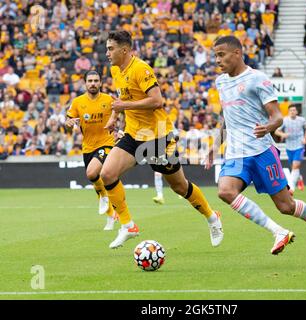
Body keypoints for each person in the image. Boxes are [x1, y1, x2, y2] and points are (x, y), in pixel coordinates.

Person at [206, 36, 306, 259]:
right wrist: (215, 144)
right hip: (236, 153)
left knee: (286, 206)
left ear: (237, 53)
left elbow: (277, 116)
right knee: (225, 191)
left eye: (221, 54)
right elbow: (225, 117)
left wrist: (268, 127)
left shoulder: (258, 79)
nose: (217, 60)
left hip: (262, 151)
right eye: (215, 55)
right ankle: (278, 232)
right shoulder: (221, 82)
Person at [101, 30, 223, 249]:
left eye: (111, 48)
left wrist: (123, 107)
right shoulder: (115, 70)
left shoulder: (141, 69)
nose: (107, 53)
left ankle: (212, 217)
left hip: (156, 137)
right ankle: (128, 225)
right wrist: (113, 117)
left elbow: (157, 101)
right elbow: (123, 98)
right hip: (133, 134)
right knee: (107, 174)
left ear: (125, 49)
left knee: (179, 186)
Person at [65, 70, 118, 231]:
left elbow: (120, 109)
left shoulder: (109, 99)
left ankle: (104, 197)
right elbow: (69, 120)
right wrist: (68, 123)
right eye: (90, 81)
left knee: (92, 173)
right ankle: (111, 216)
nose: (93, 83)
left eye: (96, 80)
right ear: (85, 83)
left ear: (100, 83)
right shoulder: (78, 102)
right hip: (88, 147)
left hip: (107, 143)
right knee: (96, 178)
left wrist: (117, 124)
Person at [275, 105, 306, 192]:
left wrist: (305, 138)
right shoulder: (285, 120)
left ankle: (291, 188)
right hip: (289, 147)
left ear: (297, 112)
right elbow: (276, 131)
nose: (292, 112)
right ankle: (299, 178)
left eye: (294, 110)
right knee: (294, 167)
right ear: (288, 112)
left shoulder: (301, 120)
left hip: (299, 146)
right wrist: (283, 135)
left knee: (295, 166)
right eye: (291, 110)